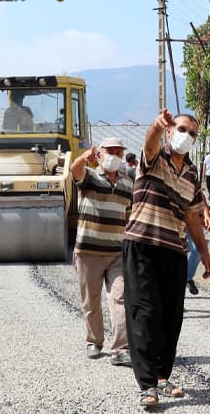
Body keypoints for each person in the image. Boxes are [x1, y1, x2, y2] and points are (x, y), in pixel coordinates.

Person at [123, 108, 210, 408]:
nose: (187, 136)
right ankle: (147, 384)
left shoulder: (191, 173)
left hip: (174, 250)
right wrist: (155, 126)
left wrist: (204, 252)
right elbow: (149, 143)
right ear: (171, 129)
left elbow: (191, 217)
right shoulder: (153, 158)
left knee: (171, 316)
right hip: (143, 245)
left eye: (193, 133)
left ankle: (163, 377)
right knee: (145, 312)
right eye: (182, 129)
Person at [69, 137, 133, 367]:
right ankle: (94, 340)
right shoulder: (90, 177)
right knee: (91, 300)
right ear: (99, 154)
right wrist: (82, 159)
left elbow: (128, 216)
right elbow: (74, 171)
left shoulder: (127, 184)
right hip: (88, 252)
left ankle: (121, 349)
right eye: (110, 151)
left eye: (119, 152)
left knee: (121, 298)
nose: (114, 156)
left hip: (117, 252)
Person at [186, 200, 210, 296]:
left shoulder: (193, 186)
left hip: (191, 222)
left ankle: (187, 278)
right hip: (172, 224)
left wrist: (206, 216)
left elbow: (201, 200)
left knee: (196, 250)